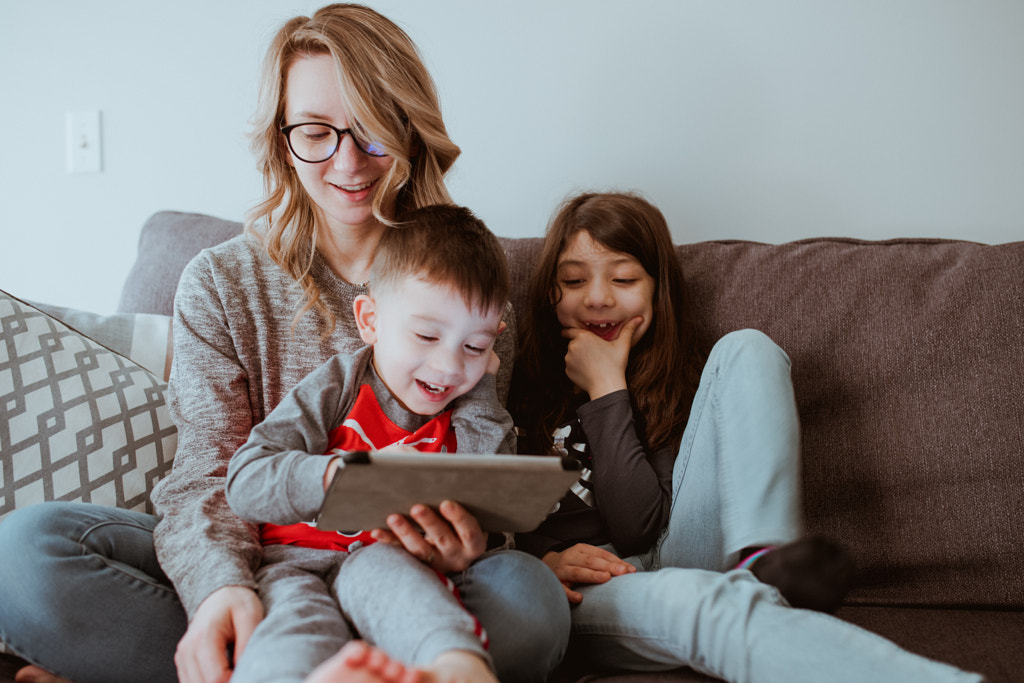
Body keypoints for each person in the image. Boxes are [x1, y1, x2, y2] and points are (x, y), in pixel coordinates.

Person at [0, 6, 567, 683]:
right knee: (26, 555)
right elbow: (211, 474)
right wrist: (221, 589)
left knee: (531, 606)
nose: (349, 161)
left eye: (372, 132)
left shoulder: (467, 279)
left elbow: (479, 463)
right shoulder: (220, 281)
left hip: (411, 584)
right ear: (281, 138)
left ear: (410, 130)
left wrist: (469, 542)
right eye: (317, 133)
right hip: (271, 564)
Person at [510, 191, 985, 683]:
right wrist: (540, 561)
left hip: (682, 546)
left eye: (624, 278)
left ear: (656, 290)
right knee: (712, 608)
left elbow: (643, 526)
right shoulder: (518, 385)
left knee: (747, 348)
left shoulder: (679, 379)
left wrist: (611, 385)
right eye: (573, 280)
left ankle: (766, 557)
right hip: (593, 586)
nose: (598, 297)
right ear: (551, 292)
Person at [223, 204, 517, 683]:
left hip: (387, 563)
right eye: (426, 335)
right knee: (291, 631)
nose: (447, 367)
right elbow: (248, 479)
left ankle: (459, 669)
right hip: (294, 566)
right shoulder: (338, 385)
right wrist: (348, 474)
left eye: (474, 346)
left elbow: (498, 500)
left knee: (407, 593)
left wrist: (483, 383)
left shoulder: (471, 410)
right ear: (371, 319)